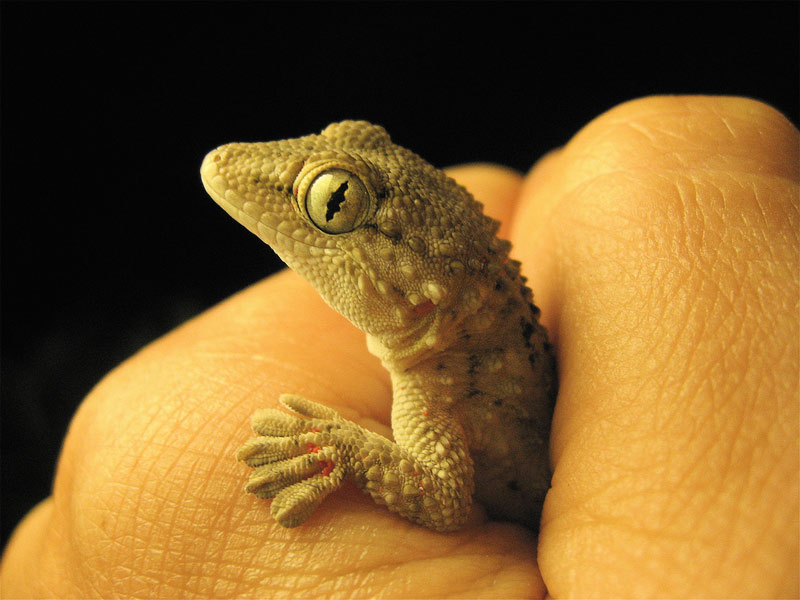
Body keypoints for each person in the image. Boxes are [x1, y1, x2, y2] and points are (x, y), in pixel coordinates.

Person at [2, 96, 797, 598]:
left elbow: (447, 498)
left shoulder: (442, 391)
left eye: (334, 201)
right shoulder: (452, 352)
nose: (241, 169)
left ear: (417, 289)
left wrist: (344, 452)